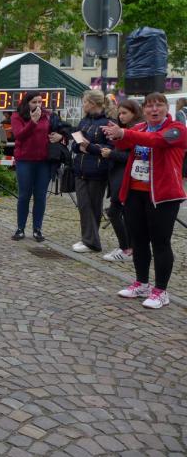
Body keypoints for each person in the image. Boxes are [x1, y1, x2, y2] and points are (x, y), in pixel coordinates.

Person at [102, 92, 187, 309]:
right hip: (135, 193)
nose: (154, 109)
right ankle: (141, 283)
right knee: (138, 240)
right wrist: (116, 135)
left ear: (166, 108)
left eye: (159, 105)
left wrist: (125, 133)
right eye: (149, 106)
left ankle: (161, 291)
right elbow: (123, 145)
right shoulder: (139, 128)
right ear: (144, 110)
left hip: (163, 196)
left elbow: (156, 141)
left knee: (160, 242)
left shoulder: (177, 129)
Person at [10, 91, 57, 242]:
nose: (38, 105)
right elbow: (19, 135)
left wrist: (60, 136)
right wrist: (33, 122)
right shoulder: (17, 116)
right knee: (24, 195)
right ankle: (20, 228)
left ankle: (37, 229)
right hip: (25, 160)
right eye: (34, 102)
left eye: (40, 102)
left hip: (43, 161)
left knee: (40, 196)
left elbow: (60, 130)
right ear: (27, 103)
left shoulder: (47, 115)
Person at [101, 99, 142, 262]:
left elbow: (131, 156)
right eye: (120, 113)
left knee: (115, 212)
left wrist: (111, 154)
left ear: (135, 113)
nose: (121, 116)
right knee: (122, 213)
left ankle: (127, 248)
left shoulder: (136, 130)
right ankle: (128, 247)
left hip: (127, 177)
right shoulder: (123, 128)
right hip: (118, 175)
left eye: (125, 113)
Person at [70, 90, 112, 253]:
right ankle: (89, 240)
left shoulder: (108, 122)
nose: (83, 105)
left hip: (97, 170)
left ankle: (90, 241)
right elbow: (75, 143)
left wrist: (91, 147)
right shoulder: (83, 121)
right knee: (83, 205)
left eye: (85, 102)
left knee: (94, 206)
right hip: (80, 168)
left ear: (93, 104)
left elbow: (111, 147)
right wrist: (78, 146)